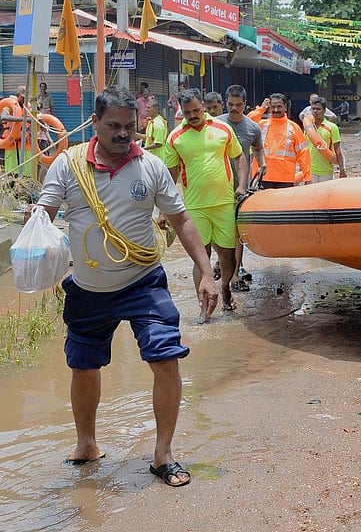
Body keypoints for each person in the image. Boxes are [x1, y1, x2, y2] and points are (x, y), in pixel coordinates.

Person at [30, 86, 218, 487]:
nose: (122, 134)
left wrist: (205, 272)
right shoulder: (68, 164)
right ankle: (86, 444)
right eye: (113, 125)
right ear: (94, 122)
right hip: (87, 287)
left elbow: (181, 219)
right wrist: (35, 244)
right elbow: (44, 215)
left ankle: (163, 454)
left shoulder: (150, 166)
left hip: (142, 282)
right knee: (83, 366)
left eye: (129, 126)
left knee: (165, 358)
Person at [163, 87, 247, 313]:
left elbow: (239, 157)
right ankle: (203, 306)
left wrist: (241, 186)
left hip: (224, 203)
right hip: (194, 206)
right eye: (187, 112)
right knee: (201, 257)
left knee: (227, 254)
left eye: (196, 110)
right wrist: (164, 209)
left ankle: (225, 289)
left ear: (203, 107)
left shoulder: (223, 128)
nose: (193, 115)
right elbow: (170, 175)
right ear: (181, 111)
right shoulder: (175, 137)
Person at [216, 84, 267, 291]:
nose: (234, 108)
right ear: (225, 103)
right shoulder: (216, 124)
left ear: (245, 104)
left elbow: (258, 149)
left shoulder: (252, 128)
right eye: (230, 104)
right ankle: (221, 261)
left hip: (240, 187)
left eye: (238, 105)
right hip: (217, 186)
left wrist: (262, 163)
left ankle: (235, 272)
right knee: (219, 230)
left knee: (236, 231)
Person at [248, 92, 310, 189]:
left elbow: (303, 153)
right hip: (263, 176)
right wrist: (261, 109)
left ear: (285, 107)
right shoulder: (261, 125)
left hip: (285, 179)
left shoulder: (294, 128)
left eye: (279, 106)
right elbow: (247, 123)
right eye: (273, 107)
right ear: (269, 107)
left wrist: (307, 177)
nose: (276, 110)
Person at [303, 97, 346, 183]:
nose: (315, 111)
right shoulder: (308, 128)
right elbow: (305, 148)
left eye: (318, 109)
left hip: (326, 170)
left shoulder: (332, 127)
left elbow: (337, 149)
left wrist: (342, 170)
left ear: (324, 111)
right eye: (313, 109)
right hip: (311, 170)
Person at [0, 86, 27, 173]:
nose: (25, 100)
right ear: (18, 96)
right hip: (11, 144)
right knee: (11, 173)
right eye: (23, 97)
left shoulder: (27, 108)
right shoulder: (9, 106)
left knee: (26, 172)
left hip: (24, 144)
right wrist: (23, 119)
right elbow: (3, 116)